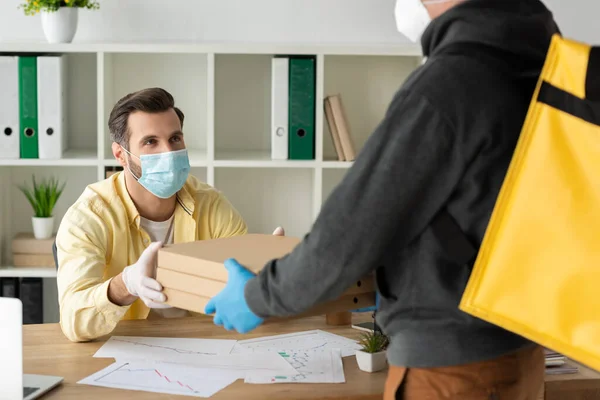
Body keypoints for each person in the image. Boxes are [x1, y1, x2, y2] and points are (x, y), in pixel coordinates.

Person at [205, 0, 560, 398]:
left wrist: (258, 296)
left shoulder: (450, 83)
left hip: (452, 367)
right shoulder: (538, 61)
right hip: (519, 347)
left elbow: (350, 231)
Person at [56, 87, 283, 343]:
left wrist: (265, 274)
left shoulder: (211, 205)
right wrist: (126, 284)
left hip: (202, 343)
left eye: (175, 139)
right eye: (151, 142)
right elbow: (74, 321)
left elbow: (240, 294)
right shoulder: (89, 217)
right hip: (126, 348)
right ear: (120, 154)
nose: (168, 152)